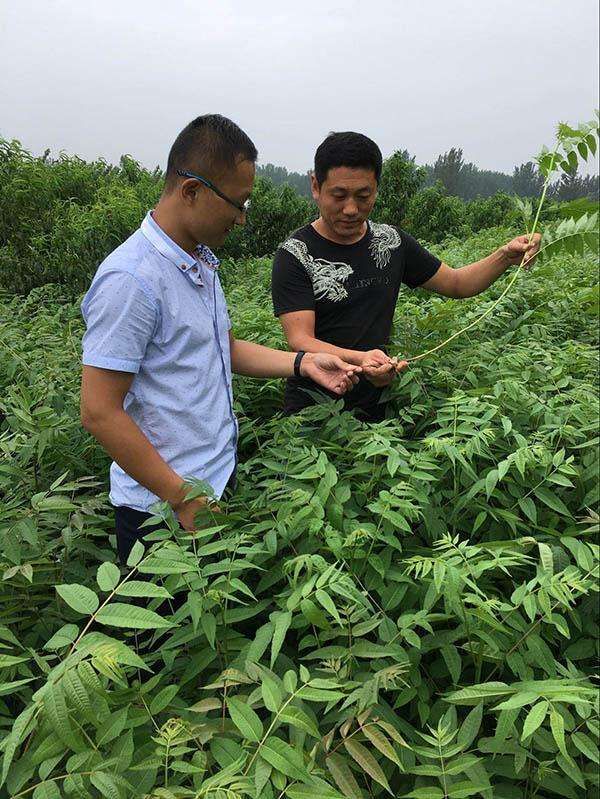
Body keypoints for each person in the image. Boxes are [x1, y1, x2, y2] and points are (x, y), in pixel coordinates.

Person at [80, 115, 360, 563]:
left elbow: (223, 349)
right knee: (164, 632)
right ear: (191, 191)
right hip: (161, 513)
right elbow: (99, 411)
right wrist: (181, 496)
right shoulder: (132, 278)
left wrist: (302, 362)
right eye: (238, 203)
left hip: (211, 485)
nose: (242, 219)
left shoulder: (200, 261)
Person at [271, 131, 541, 421]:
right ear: (315, 185)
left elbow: (458, 283)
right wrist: (362, 359)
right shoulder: (296, 254)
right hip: (312, 414)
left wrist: (505, 256)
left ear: (376, 188)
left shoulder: (391, 242)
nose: (351, 209)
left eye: (363, 196)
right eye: (339, 195)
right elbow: (300, 340)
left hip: (379, 410)